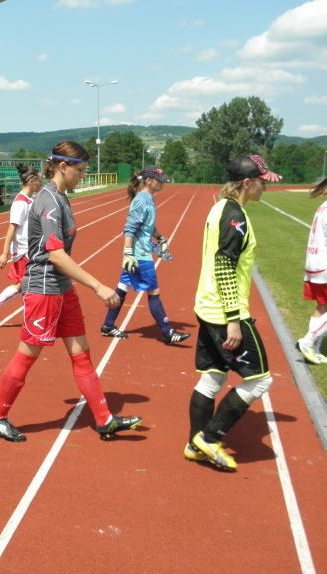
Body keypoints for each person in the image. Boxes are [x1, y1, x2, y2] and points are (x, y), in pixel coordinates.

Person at [0, 141, 142, 443]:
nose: (83, 175)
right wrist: (97, 285)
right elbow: (55, 254)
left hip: (62, 289)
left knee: (81, 355)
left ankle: (104, 419)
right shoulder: (48, 202)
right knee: (27, 356)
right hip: (44, 290)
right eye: (80, 170)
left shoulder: (62, 198)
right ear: (62, 167)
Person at [184, 155, 280, 471]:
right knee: (260, 381)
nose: (265, 186)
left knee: (213, 377)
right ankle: (209, 439)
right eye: (262, 181)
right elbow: (225, 267)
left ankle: (195, 443)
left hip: (208, 307)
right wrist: (235, 319)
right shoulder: (234, 215)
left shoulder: (220, 207)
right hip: (223, 312)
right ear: (246, 183)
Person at [100, 166, 191, 344]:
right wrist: (127, 253)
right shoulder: (141, 200)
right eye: (160, 179)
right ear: (149, 181)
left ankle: (108, 325)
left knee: (123, 288)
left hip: (140, 252)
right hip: (139, 255)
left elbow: (148, 225)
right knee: (154, 291)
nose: (162, 182)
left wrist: (161, 238)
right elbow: (130, 227)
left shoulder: (149, 198)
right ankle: (167, 332)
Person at [0, 164, 42, 329]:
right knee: (27, 284)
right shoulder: (21, 203)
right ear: (31, 181)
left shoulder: (30, 200)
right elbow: (12, 228)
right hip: (24, 251)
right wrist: (4, 253)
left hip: (31, 250)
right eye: (39, 180)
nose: (41, 183)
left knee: (25, 285)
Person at [296, 178, 327, 364]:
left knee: (322, 306)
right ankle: (307, 341)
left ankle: (314, 347)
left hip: (316, 262)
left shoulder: (323, 206)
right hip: (324, 263)